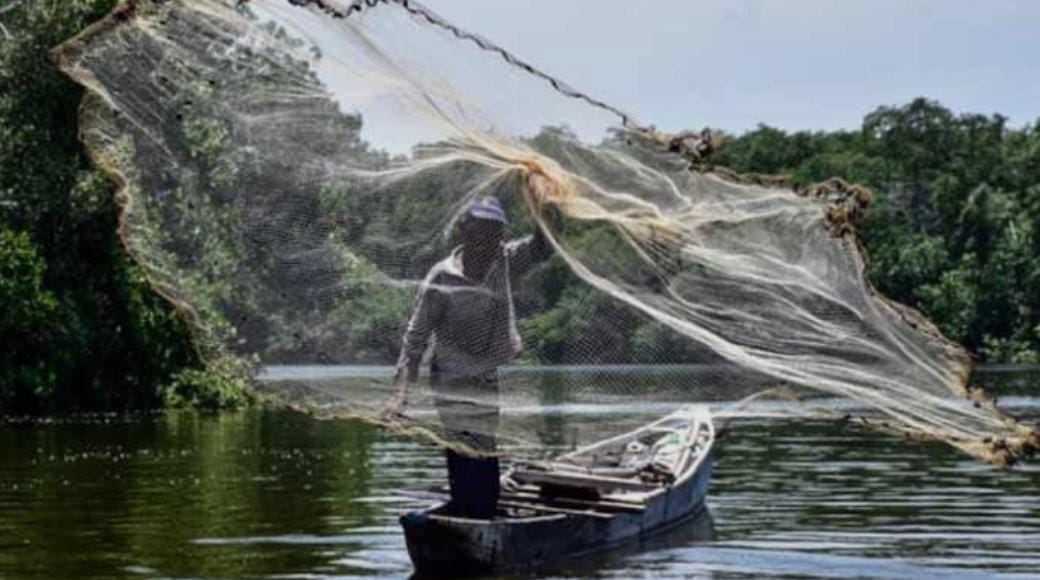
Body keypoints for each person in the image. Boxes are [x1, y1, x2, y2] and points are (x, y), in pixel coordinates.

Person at [385, 196, 554, 519]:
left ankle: (480, 514)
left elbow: (543, 246)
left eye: (495, 232)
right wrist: (400, 395)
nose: (489, 239)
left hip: (484, 374)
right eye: (482, 230)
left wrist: (541, 204)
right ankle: (467, 511)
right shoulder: (443, 277)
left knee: (484, 447)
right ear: (465, 230)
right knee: (462, 445)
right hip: (449, 376)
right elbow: (415, 340)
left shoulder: (504, 260)